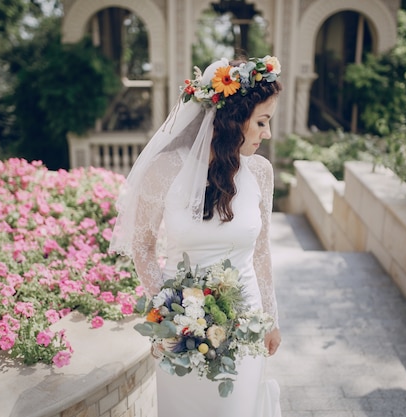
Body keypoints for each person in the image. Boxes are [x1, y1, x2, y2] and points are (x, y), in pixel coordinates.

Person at [109, 56, 282, 417]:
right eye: (262, 122)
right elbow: (142, 245)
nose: (267, 133)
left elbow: (262, 252)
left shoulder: (261, 173)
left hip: (244, 324)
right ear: (235, 121)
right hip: (180, 332)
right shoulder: (166, 169)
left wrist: (271, 318)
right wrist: (169, 314)